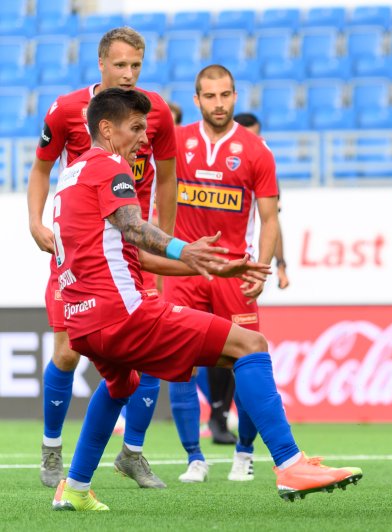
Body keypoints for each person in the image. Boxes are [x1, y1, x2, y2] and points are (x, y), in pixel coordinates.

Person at [49, 87, 362, 511]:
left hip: (83, 320)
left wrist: (207, 266)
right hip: (124, 313)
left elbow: (128, 252)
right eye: (136, 128)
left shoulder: (71, 176)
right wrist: (185, 249)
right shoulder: (112, 167)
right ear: (106, 128)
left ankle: (75, 487)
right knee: (250, 345)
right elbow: (133, 229)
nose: (144, 138)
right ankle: (290, 465)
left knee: (122, 382)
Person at [27, 26, 177, 490]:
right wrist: (35, 222)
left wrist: (165, 239)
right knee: (68, 353)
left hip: (132, 247)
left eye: (135, 65)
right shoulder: (69, 109)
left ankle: (132, 452)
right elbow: (40, 168)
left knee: (149, 349)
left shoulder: (156, 113)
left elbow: (168, 178)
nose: (128, 75)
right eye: (119, 65)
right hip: (81, 250)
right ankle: (52, 450)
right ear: (101, 64)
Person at [166, 66, 286, 482]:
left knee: (249, 359)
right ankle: (193, 459)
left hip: (235, 272)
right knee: (177, 363)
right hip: (183, 271)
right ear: (197, 100)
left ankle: (244, 452)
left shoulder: (256, 150)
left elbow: (270, 219)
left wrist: (262, 270)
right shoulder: (176, 143)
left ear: (235, 96)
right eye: (210, 96)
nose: (219, 104)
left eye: (225, 95)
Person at [234, 111, 290, 289]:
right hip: (199, 264)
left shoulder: (263, 171)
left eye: (255, 138)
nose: (251, 145)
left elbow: (271, 221)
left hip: (241, 266)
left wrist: (280, 265)